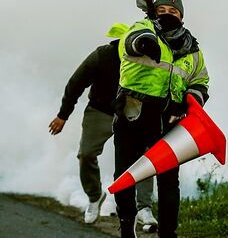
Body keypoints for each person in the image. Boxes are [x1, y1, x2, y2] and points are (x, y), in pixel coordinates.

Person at [111, 0, 209, 238]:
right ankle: (126, 227)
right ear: (154, 13)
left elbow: (201, 82)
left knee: (168, 181)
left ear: (182, 17)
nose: (167, 15)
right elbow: (132, 40)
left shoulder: (193, 50)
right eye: (162, 11)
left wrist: (189, 102)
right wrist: (145, 43)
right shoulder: (143, 27)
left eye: (173, 12)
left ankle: (168, 233)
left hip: (169, 122)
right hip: (133, 113)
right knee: (125, 175)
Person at [48, 39, 157, 225]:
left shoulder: (148, 57)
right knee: (86, 153)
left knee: (144, 156)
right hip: (100, 110)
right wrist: (63, 115)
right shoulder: (103, 55)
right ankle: (95, 196)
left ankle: (144, 207)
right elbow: (76, 82)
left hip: (133, 113)